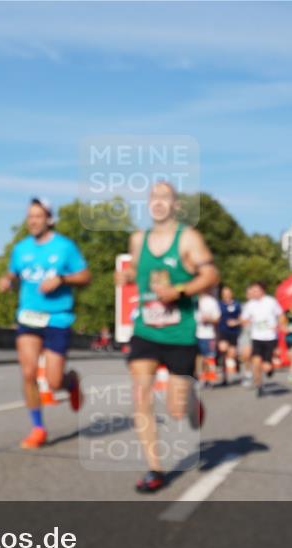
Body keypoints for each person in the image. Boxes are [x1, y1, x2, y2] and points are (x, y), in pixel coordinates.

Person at [116, 181, 219, 493]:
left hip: (180, 331)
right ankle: (155, 469)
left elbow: (211, 274)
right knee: (141, 395)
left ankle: (191, 402)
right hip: (146, 329)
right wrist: (127, 276)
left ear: (175, 204)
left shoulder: (188, 238)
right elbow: (137, 269)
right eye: (153, 197)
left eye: (164, 197)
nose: (158, 202)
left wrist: (180, 290)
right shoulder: (138, 239)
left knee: (176, 409)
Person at [0, 198, 90, 449]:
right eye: (30, 216)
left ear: (49, 219)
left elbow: (85, 276)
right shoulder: (21, 248)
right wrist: (6, 280)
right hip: (28, 316)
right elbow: (13, 271)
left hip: (57, 318)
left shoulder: (65, 247)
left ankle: (71, 381)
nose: (33, 221)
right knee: (28, 373)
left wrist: (61, 279)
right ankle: (38, 428)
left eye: (38, 216)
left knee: (53, 382)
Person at [241, 281, 285, 397]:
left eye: (256, 290)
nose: (254, 293)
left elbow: (280, 315)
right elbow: (243, 318)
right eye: (252, 290)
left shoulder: (271, 302)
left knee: (266, 366)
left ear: (262, 290)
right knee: (256, 363)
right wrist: (245, 321)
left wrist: (280, 325)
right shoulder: (250, 304)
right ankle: (259, 385)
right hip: (256, 337)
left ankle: (270, 369)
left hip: (270, 337)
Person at [195, 287, 221, 386]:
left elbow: (217, 319)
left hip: (208, 334)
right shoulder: (192, 301)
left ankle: (209, 378)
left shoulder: (211, 301)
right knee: (198, 357)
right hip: (193, 334)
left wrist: (208, 319)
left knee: (208, 357)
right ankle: (201, 378)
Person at [216, 286, 242, 385]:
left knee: (232, 353)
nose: (226, 294)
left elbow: (241, 318)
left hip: (233, 332)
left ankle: (237, 361)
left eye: (228, 292)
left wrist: (236, 322)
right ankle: (224, 377)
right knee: (223, 350)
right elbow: (216, 316)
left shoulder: (237, 304)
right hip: (222, 331)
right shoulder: (219, 304)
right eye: (224, 293)